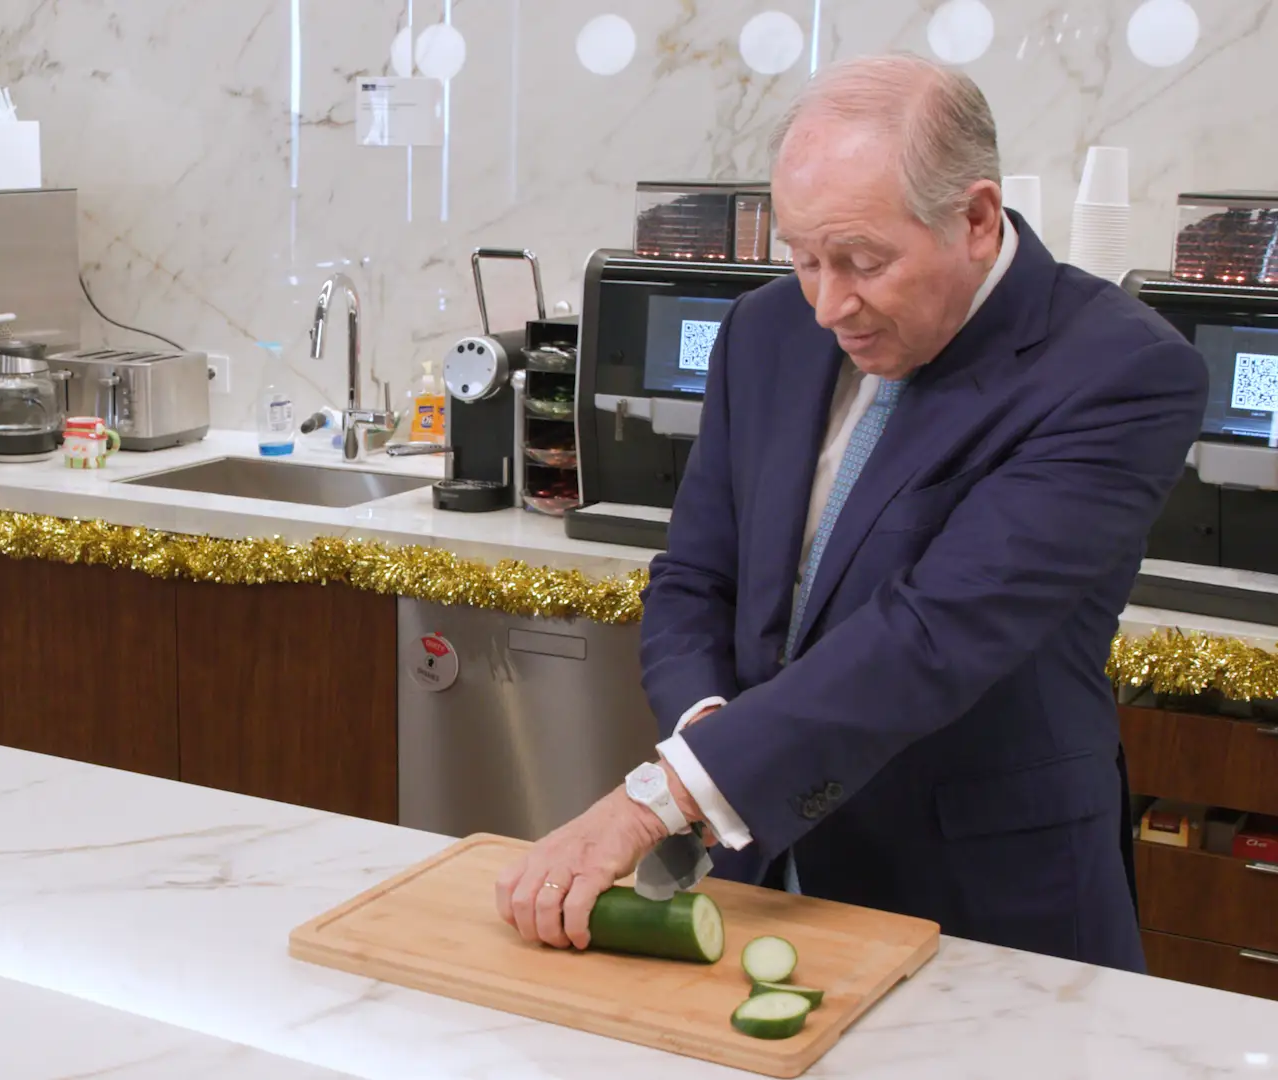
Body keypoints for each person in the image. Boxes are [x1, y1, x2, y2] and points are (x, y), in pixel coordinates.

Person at [494, 51, 1208, 972]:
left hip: (987, 899)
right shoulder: (764, 331)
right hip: (762, 873)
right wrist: (710, 732)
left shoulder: (1117, 370)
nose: (830, 304)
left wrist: (658, 798)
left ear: (978, 220)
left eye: (864, 262)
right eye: (803, 257)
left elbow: (933, 635)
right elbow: (696, 576)